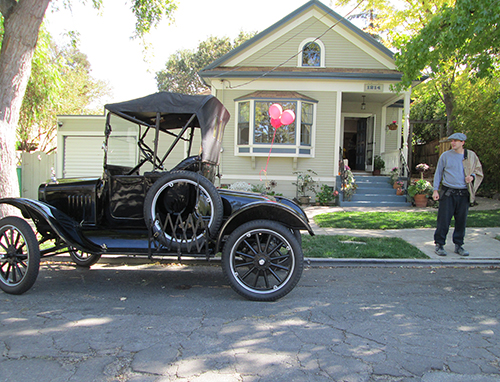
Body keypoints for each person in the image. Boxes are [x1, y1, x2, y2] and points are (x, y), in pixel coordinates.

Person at [432, 133, 483, 256]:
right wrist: (435, 190)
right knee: (443, 221)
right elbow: (438, 173)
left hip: (463, 193)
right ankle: (439, 245)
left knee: (461, 221)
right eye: (452, 141)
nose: (453, 143)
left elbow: (478, 170)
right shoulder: (445, 156)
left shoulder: (470, 156)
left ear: (463, 142)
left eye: (456, 141)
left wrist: (472, 177)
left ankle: (459, 245)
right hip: (448, 193)